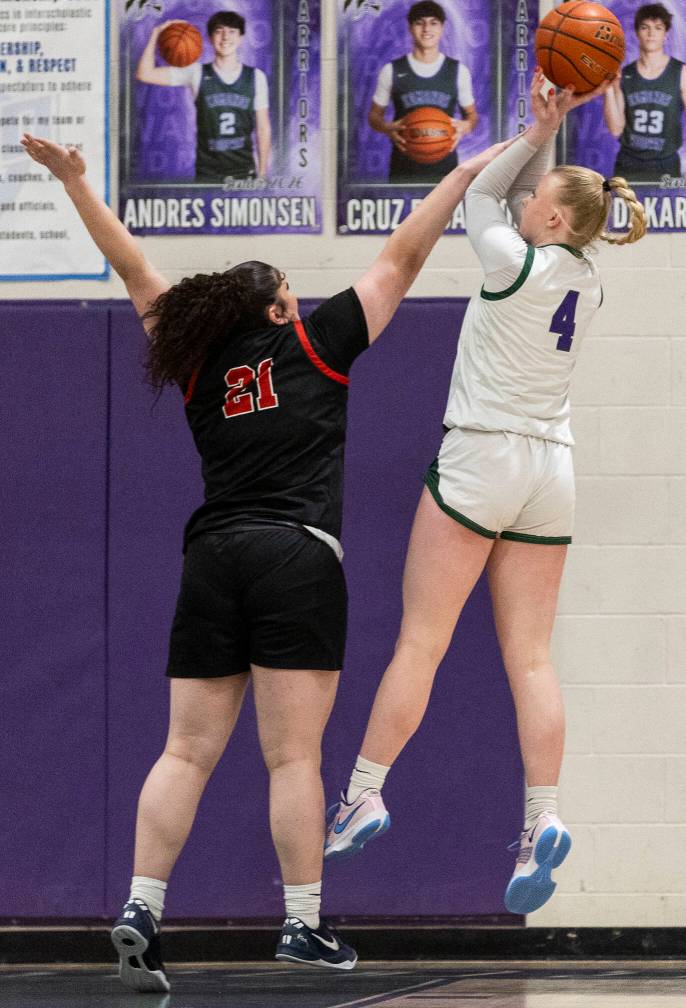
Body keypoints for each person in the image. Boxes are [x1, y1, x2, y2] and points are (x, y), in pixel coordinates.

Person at [20, 127, 513, 991]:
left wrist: (75, 184)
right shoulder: (318, 341)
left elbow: (134, 269)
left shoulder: (199, 361)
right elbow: (403, 255)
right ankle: (301, 924)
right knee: (290, 759)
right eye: (291, 288)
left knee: (183, 752)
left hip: (213, 557)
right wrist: (465, 173)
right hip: (296, 558)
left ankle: (139, 906)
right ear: (282, 310)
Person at [325, 70, 647, 916]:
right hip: (552, 473)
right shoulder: (590, 280)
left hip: (482, 460)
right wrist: (551, 127)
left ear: (550, 218)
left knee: (421, 644)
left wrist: (541, 128)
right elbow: (515, 192)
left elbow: (477, 187)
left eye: (539, 197)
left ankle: (363, 792)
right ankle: (543, 815)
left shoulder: (513, 261)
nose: (527, 200)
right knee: (533, 659)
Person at [136, 11, 271, 182]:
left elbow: (263, 128)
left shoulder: (256, 77)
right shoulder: (196, 73)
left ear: (241, 37)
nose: (225, 37)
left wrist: (263, 174)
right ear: (209, 38)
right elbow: (144, 74)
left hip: (244, 172)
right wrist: (156, 34)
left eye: (232, 31)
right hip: (208, 173)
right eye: (219, 31)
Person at [368, 0, 478, 183]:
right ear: (410, 28)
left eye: (433, 23)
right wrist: (386, 127)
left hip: (446, 167)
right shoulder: (392, 70)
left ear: (442, 28)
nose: (427, 28)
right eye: (420, 23)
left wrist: (466, 126)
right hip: (403, 166)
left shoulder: (458, 71)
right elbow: (374, 116)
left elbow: (472, 116)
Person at [603, 3, 686, 182]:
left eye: (658, 28)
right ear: (637, 32)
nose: (651, 34)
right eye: (645, 27)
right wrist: (609, 88)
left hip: (666, 163)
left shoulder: (681, 72)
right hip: (628, 163)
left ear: (666, 34)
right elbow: (616, 129)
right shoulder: (624, 75)